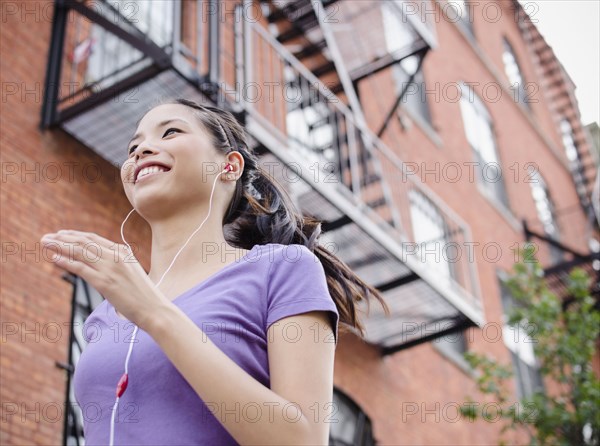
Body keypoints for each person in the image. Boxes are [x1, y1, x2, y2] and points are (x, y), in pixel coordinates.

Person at [40, 98, 390, 445]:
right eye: (134, 146)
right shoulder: (105, 314)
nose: (142, 150)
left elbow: (302, 441)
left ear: (230, 166)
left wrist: (154, 314)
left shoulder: (282, 270)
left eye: (170, 132)